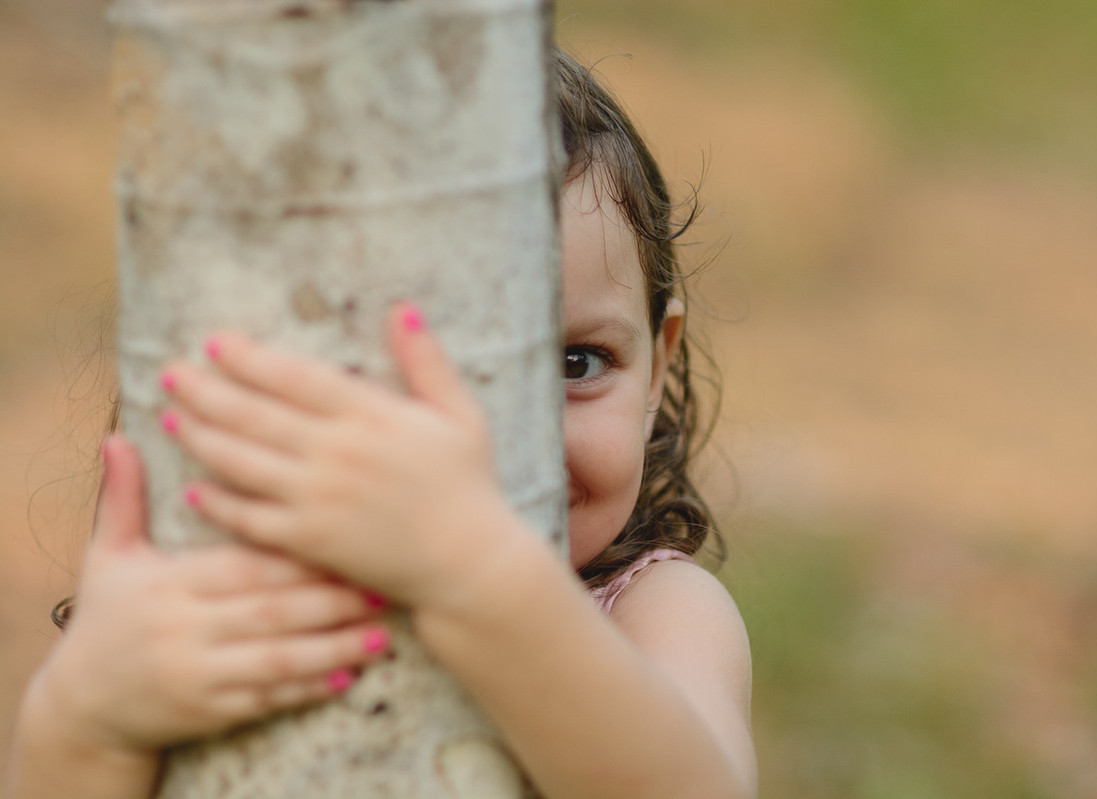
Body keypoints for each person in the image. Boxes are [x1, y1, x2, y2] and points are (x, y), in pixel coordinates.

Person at [6, 49, 756, 799]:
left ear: (657, 367)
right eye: (413, 375)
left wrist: (478, 574)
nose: (499, 442)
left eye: (577, 364)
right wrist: (87, 723)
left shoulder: (652, 612)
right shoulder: (224, 619)